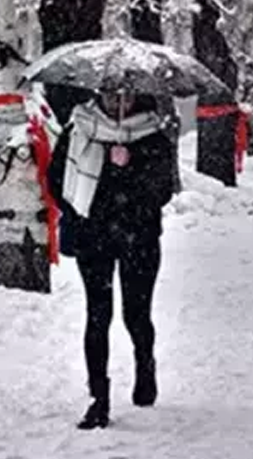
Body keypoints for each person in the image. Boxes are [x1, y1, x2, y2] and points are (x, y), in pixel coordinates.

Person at [47, 86, 178, 430]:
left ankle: (144, 364)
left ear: (138, 98)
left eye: (125, 97)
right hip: (95, 239)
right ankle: (98, 399)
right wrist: (82, 212)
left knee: (136, 314)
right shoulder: (79, 130)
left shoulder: (154, 137)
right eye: (110, 96)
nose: (117, 103)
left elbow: (162, 190)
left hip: (139, 240)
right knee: (97, 315)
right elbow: (58, 179)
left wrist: (130, 166)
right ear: (98, 95)